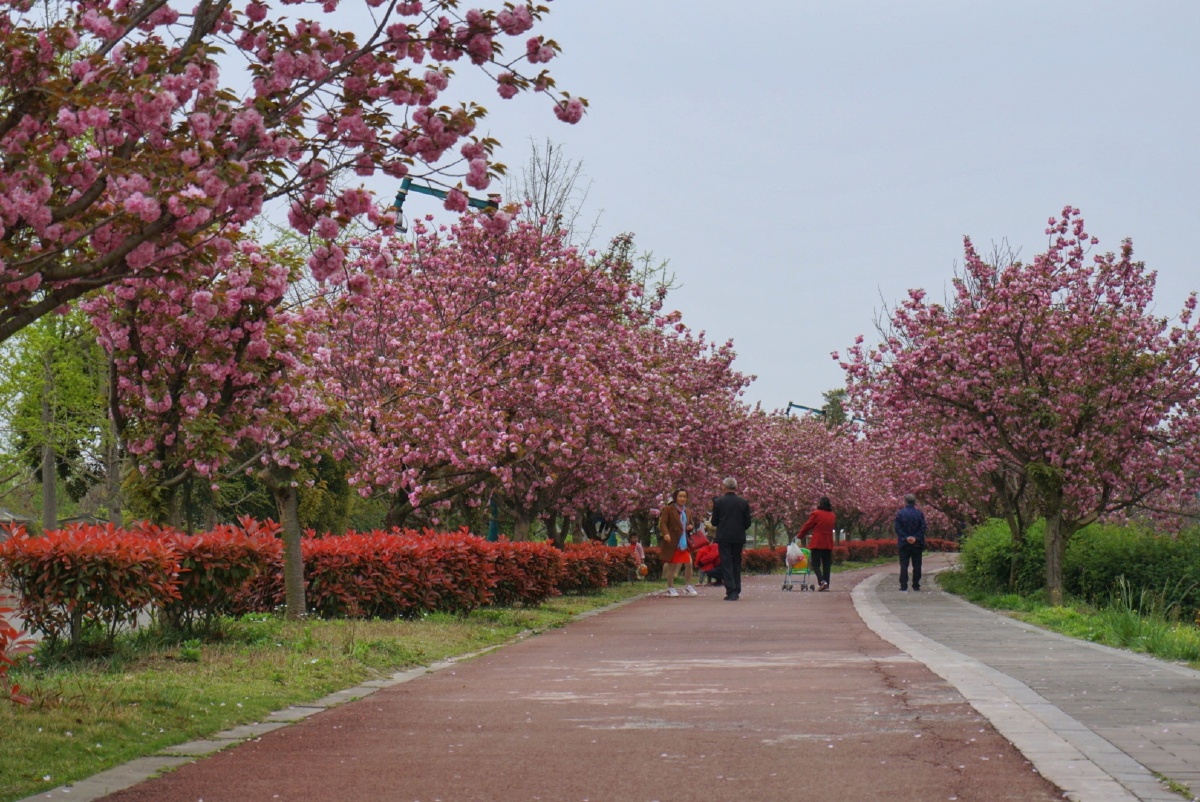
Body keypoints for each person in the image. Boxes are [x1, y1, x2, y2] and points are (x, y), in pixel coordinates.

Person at [711, 477, 752, 601]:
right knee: (736, 562)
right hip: (738, 536)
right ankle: (737, 589)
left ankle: (731, 590)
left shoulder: (718, 502)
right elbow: (748, 522)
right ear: (736, 487)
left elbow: (714, 521)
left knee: (726, 562)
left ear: (724, 487)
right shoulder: (743, 502)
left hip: (724, 536)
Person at [658, 489, 699, 597]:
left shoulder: (687, 511)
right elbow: (663, 523)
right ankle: (670, 587)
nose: (682, 499)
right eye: (680, 496)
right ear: (675, 497)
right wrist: (666, 534)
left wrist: (690, 526)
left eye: (684, 496)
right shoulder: (669, 509)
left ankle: (688, 585)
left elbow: (690, 523)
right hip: (673, 541)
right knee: (672, 565)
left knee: (689, 564)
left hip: (684, 542)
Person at [797, 496, 836, 591]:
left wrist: (800, 536)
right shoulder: (832, 515)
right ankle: (827, 584)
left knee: (815, 564)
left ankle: (822, 581)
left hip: (817, 542)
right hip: (828, 543)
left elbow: (808, 525)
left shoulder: (816, 513)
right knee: (826, 565)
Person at [895, 493, 928, 592]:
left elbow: (897, 528)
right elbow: (923, 527)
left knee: (904, 565)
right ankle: (916, 585)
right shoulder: (919, 514)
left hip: (904, 543)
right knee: (917, 565)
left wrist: (906, 538)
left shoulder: (900, 513)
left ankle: (903, 585)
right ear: (915, 502)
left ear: (905, 501)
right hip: (917, 544)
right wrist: (915, 538)